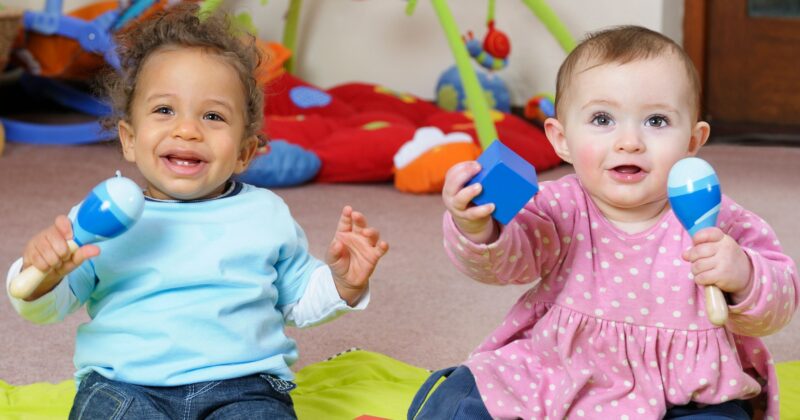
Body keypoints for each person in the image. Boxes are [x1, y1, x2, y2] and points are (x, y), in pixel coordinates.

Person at [6, 4, 388, 419]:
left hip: (243, 387)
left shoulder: (265, 213)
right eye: (164, 110)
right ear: (129, 139)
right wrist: (44, 271)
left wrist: (341, 284)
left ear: (244, 151)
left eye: (212, 115)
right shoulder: (104, 215)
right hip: (125, 386)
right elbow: (46, 307)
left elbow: (296, 301)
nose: (187, 129)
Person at [409, 25, 798, 419]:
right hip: (560, 369)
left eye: (657, 121)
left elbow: (779, 304)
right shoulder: (558, 206)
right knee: (459, 400)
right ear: (561, 139)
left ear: (693, 141)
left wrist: (744, 274)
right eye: (601, 119)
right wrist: (478, 229)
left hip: (682, 391)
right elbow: (505, 264)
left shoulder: (714, 216)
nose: (629, 141)